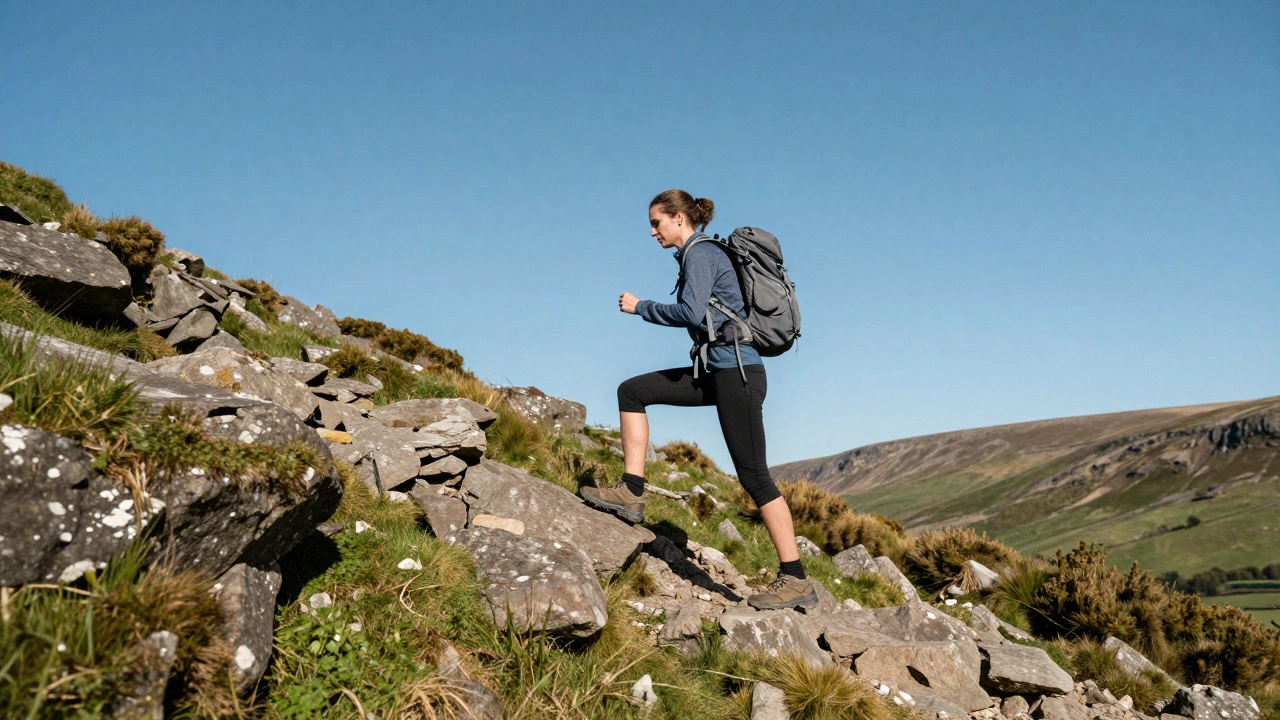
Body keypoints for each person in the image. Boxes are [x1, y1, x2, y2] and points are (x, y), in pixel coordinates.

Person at [580, 188, 817, 610]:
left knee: (755, 477)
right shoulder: (696, 255)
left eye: (656, 223)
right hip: (718, 373)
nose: (652, 232)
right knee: (632, 391)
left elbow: (690, 313)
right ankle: (632, 492)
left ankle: (795, 578)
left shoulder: (701, 253)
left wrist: (641, 307)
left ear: (678, 219)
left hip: (738, 377)